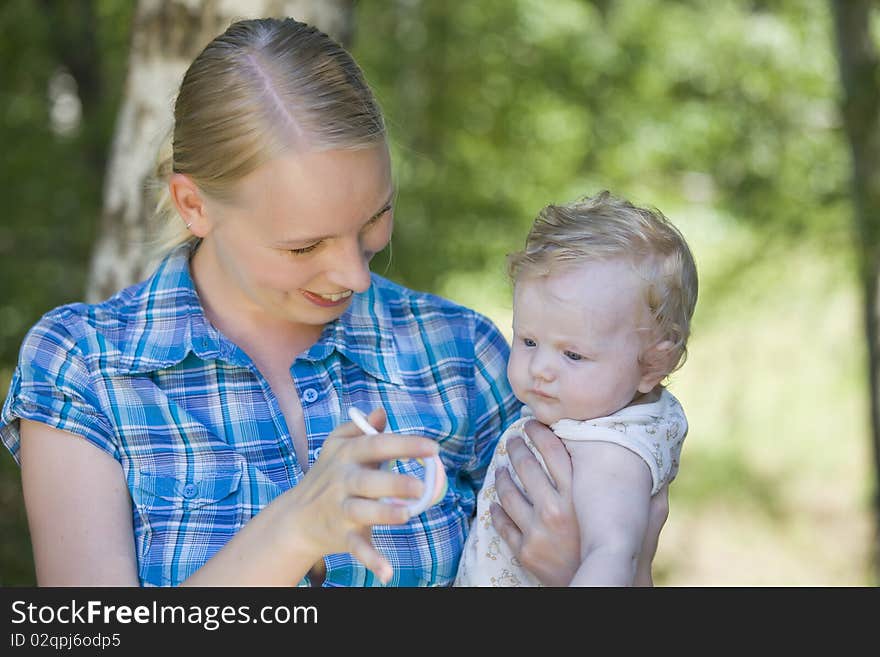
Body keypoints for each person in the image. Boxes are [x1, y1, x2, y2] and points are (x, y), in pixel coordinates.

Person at [0, 17, 590, 587]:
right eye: (304, 245)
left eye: (375, 218)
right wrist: (295, 529)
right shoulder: (86, 366)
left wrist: (583, 568)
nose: (355, 276)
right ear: (193, 205)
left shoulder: (466, 355)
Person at [455, 191, 697, 587]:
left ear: (652, 365)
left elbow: (614, 555)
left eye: (573, 354)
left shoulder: (612, 453)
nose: (541, 369)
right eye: (529, 341)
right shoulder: (588, 413)